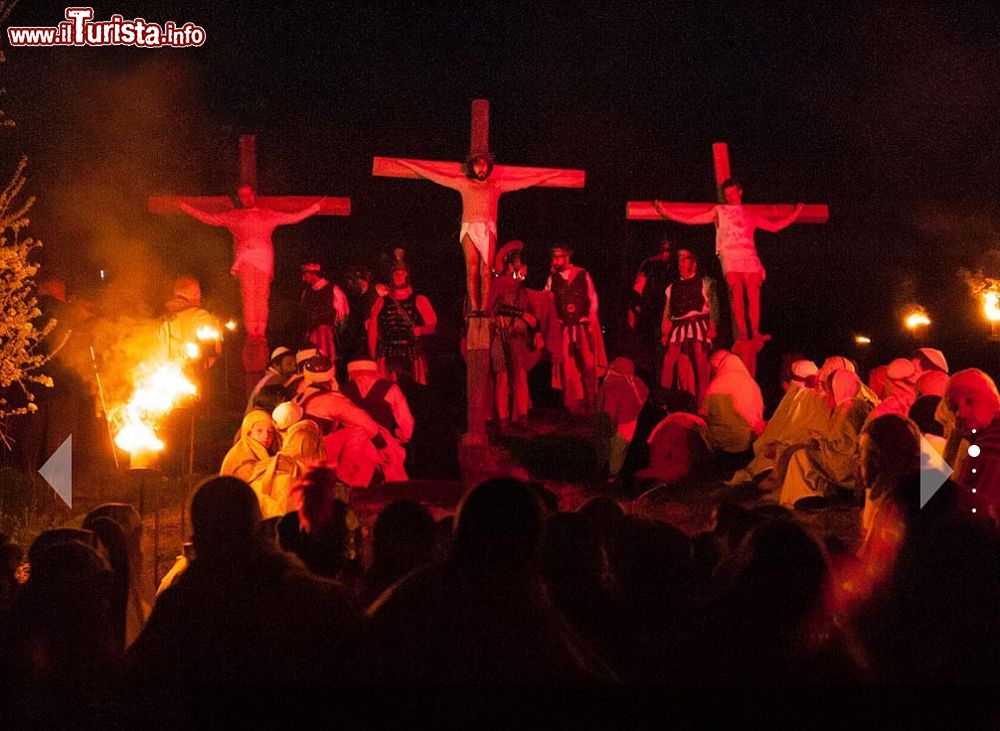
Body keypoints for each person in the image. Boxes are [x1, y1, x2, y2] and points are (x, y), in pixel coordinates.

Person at [126, 477, 362, 707]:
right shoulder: (314, 598)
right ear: (258, 528)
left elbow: (139, 690)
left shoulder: (181, 605)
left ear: (198, 538)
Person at [175, 188, 325, 377]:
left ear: (254, 195)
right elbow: (209, 218)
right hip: (245, 260)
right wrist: (185, 207)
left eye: (249, 194)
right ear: (240, 198)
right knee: (248, 296)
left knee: (261, 296)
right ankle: (252, 334)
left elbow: (292, 217)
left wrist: (316, 207)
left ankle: (259, 333)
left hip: (262, 259)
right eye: (242, 196)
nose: (246, 198)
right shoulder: (234, 216)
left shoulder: (266, 214)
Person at [392, 154, 563, 314]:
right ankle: (475, 308)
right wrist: (408, 164)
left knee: (485, 270)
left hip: (488, 228)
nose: (480, 169)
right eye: (477, 165)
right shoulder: (464, 183)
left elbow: (524, 182)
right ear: (472, 167)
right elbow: (436, 177)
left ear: (488, 168)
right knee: (471, 268)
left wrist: (549, 175)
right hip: (469, 227)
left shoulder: (495, 185)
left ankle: (484, 307)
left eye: (484, 166)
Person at [654, 179, 804, 342]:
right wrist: (667, 211)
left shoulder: (748, 212)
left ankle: (754, 332)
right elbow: (693, 219)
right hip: (730, 254)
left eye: (733, 193)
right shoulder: (720, 211)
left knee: (753, 292)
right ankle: (743, 334)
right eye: (727, 195)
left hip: (749, 255)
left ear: (740, 192)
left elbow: (774, 227)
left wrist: (796, 212)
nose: (730, 197)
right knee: (737, 290)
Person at [774, 369, 875, 507]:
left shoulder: (849, 409)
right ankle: (806, 496)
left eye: (829, 390)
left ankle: (800, 498)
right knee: (799, 451)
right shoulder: (852, 405)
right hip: (842, 458)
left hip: (846, 466)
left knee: (800, 456)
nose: (827, 394)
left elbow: (845, 448)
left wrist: (819, 443)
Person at [294, 355, 392, 488]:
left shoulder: (297, 398)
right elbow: (367, 424)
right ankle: (346, 481)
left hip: (299, 454)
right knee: (358, 431)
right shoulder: (333, 400)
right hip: (316, 455)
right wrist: (383, 447)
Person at [546, 244, 607, 413]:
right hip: (564, 328)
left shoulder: (582, 274)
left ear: (567, 256)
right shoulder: (552, 279)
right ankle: (572, 406)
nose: (555, 260)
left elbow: (593, 298)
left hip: (582, 325)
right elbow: (547, 302)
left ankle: (591, 401)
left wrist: (591, 324)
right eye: (554, 257)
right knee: (567, 367)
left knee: (588, 365)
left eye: (559, 256)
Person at [659, 248, 721, 404]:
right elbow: (668, 312)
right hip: (679, 325)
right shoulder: (672, 287)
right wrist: (665, 332)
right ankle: (663, 401)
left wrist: (712, 326)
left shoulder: (705, 282)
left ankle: (702, 403)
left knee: (699, 358)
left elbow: (713, 306)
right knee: (668, 360)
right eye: (679, 258)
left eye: (685, 258)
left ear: (693, 261)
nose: (681, 262)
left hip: (697, 323)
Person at [367, 249, 437, 385]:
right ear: (391, 277)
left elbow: (433, 327)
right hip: (387, 353)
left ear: (407, 276)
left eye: (402, 273)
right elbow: (373, 330)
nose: (399, 277)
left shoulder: (420, 300)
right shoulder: (381, 301)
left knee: (413, 392)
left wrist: (421, 330)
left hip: (411, 353)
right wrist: (371, 356)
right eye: (396, 274)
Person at [489, 241, 540, 423]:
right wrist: (521, 314)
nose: (524, 268)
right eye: (520, 264)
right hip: (499, 336)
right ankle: (503, 420)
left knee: (520, 374)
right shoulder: (497, 285)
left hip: (517, 337)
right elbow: (494, 308)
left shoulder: (521, 291)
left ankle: (522, 417)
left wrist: (534, 329)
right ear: (511, 266)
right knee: (502, 375)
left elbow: (532, 318)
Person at [340, 359, 413, 482]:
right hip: (383, 446)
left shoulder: (342, 389)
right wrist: (403, 435)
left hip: (353, 448)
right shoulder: (390, 388)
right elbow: (406, 420)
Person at [945, 368, 1000, 520]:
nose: (960, 414)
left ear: (992, 399)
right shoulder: (981, 441)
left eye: (970, 400)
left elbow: (974, 519)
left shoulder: (990, 448)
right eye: (954, 408)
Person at [699, 350, 765, 456]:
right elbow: (758, 415)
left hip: (720, 443)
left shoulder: (716, 384)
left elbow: (704, 414)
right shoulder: (752, 384)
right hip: (747, 441)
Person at [628, 238, 676, 377]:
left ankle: (662, 381)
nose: (666, 253)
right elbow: (639, 285)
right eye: (663, 249)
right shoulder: (650, 263)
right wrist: (635, 305)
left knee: (666, 350)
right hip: (653, 311)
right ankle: (657, 381)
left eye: (668, 249)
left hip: (671, 311)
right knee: (655, 349)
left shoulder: (674, 265)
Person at [597, 357, 649, 476]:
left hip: (622, 426)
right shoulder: (638, 382)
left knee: (615, 454)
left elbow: (608, 412)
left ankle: (613, 474)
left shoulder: (611, 384)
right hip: (641, 426)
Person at [155, 276, 221, 363]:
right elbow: (212, 353)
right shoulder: (200, 316)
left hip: (160, 372)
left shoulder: (158, 318)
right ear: (197, 294)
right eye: (198, 292)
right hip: (192, 373)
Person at [300, 262, 349, 364]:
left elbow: (343, 315)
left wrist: (335, 334)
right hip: (311, 337)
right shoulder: (306, 293)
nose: (303, 278)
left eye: (305, 274)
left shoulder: (334, 290)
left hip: (327, 337)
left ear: (312, 273)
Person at [220, 410, 277, 482]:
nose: (266, 436)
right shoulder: (240, 455)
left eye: (270, 432)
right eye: (259, 431)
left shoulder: (265, 453)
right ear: (248, 433)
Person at [245, 346, 295, 413]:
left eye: (294, 363)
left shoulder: (268, 378)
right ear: (276, 365)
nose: (294, 368)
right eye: (289, 364)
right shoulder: (274, 380)